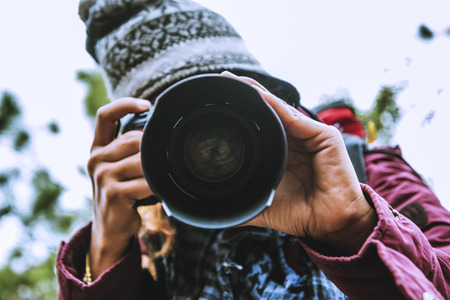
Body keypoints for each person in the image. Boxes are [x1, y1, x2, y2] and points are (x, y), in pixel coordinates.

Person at [57, 0, 450, 299]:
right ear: (142, 143)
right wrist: (106, 253)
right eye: (183, 126)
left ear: (269, 99)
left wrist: (354, 229)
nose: (211, 148)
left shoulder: (360, 176)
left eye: (226, 103)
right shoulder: (152, 243)